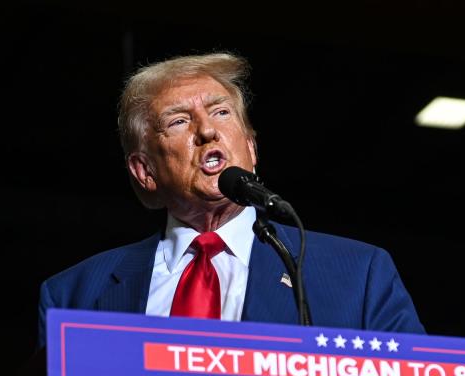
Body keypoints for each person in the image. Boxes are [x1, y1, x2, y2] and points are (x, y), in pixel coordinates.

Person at [38, 52, 423, 346]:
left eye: (221, 112)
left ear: (251, 150)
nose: (207, 130)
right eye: (178, 121)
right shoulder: (76, 295)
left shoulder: (359, 276)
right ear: (145, 171)